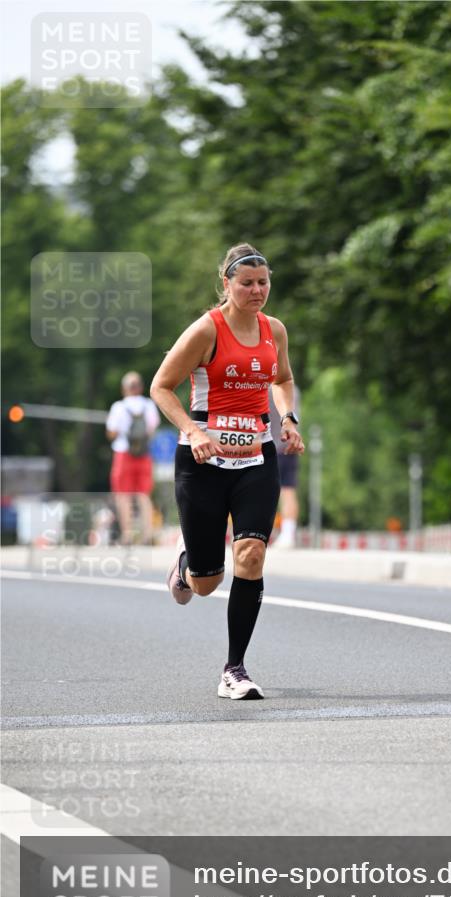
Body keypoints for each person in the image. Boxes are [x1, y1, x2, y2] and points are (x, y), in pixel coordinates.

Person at [150, 243, 304, 700]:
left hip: (256, 458)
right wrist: (194, 433)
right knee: (205, 583)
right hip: (203, 463)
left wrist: (289, 419)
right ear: (227, 285)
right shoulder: (205, 331)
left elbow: (283, 379)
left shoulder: (274, 330)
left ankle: (234, 668)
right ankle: (186, 562)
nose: (257, 291)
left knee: (252, 555)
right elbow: (161, 387)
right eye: (247, 284)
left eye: (263, 283)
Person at [106, 372, 160, 545]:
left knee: (123, 496)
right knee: (144, 495)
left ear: (124, 389)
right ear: (141, 388)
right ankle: (147, 534)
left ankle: (128, 535)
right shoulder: (149, 405)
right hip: (144, 454)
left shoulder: (118, 407)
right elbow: (152, 429)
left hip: (123, 453)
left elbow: (112, 433)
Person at [269, 383, 301, 548]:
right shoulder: (293, 390)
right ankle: (288, 533)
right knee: (288, 490)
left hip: (267, 447)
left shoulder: (263, 388)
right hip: (289, 445)